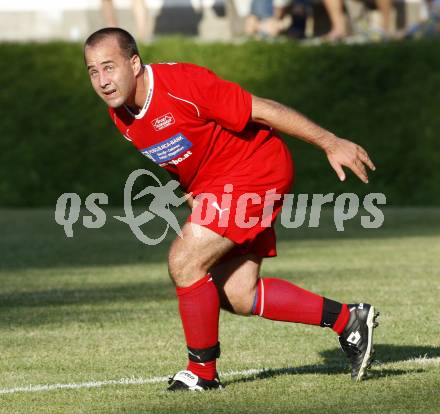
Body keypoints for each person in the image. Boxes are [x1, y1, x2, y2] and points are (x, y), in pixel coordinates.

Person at [84, 27, 379, 391]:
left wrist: (330, 142)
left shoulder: (183, 84)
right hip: (220, 184)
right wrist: (189, 190)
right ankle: (349, 320)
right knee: (237, 294)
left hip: (256, 170)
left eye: (109, 67)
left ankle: (202, 374)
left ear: (134, 62)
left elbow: (264, 110)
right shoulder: (122, 115)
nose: (102, 80)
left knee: (185, 261)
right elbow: (177, 154)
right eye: (93, 71)